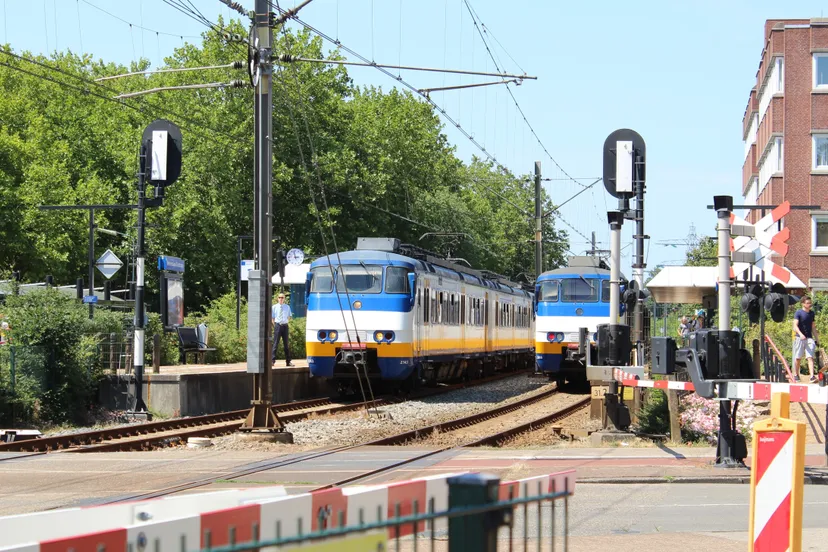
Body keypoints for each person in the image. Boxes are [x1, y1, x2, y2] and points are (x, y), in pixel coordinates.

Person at [793, 296, 818, 383]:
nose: (809, 304)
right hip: (799, 338)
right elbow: (795, 325)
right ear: (803, 303)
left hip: (809, 338)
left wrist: (817, 338)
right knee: (798, 358)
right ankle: (796, 374)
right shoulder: (798, 313)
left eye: (810, 303)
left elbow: (813, 327)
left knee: (810, 357)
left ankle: (812, 376)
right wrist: (800, 334)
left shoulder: (812, 313)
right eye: (807, 303)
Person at [272, 292, 293, 366]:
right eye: (279, 297)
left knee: (286, 344)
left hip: (285, 326)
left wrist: (285, 322)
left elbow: (289, 316)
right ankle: (272, 360)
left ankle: (288, 361)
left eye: (282, 297)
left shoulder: (287, 307)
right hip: (278, 325)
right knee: (275, 344)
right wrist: (275, 325)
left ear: (284, 299)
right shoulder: (274, 307)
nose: (281, 299)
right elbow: (273, 318)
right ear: (277, 298)